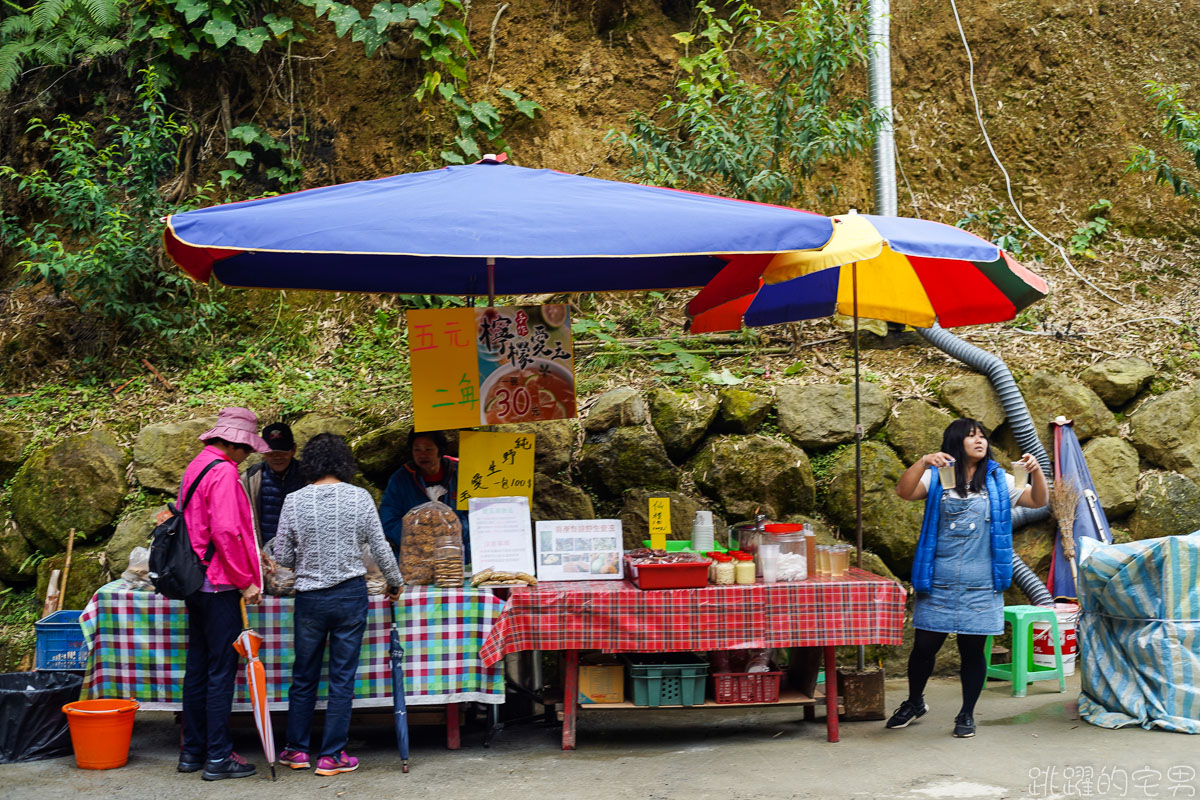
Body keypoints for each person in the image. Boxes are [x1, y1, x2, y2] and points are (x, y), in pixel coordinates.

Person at [886, 418, 1048, 739]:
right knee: (923, 648)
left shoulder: (1000, 479)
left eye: (983, 436)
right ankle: (915, 701)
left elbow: (1038, 500)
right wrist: (922, 462)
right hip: (939, 581)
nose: (980, 441)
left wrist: (1037, 471)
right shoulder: (938, 475)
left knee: (972, 652)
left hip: (982, 583)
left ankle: (966, 713)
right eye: (971, 436)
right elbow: (904, 491)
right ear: (955, 442)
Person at [274, 433, 403, 777]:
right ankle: (332, 755)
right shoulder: (359, 498)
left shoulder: (294, 500)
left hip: (310, 600)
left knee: (304, 675)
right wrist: (395, 581)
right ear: (344, 462)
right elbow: (380, 546)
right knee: (341, 679)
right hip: (349, 596)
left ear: (310, 463)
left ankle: (296, 750)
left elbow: (283, 557)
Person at [178, 407, 268, 780]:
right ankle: (218, 756)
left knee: (198, 667)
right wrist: (246, 579)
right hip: (219, 584)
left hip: (193, 581)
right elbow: (228, 532)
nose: (248, 454)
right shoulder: (225, 474)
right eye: (246, 448)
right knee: (221, 670)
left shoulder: (196, 466)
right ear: (232, 443)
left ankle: (192, 751)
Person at [379, 430, 469, 559]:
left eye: (428, 449)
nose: (423, 455)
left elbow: (475, 513)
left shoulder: (460, 471)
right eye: (417, 450)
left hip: (458, 556)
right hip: (417, 558)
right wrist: (419, 536)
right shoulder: (400, 479)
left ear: (440, 450)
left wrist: (453, 530)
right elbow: (389, 520)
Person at [241, 422, 306, 549]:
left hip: (301, 552)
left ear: (293, 449)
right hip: (265, 552)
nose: (277, 457)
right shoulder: (250, 478)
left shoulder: (307, 475)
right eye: (271, 452)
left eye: (282, 452)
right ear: (262, 453)